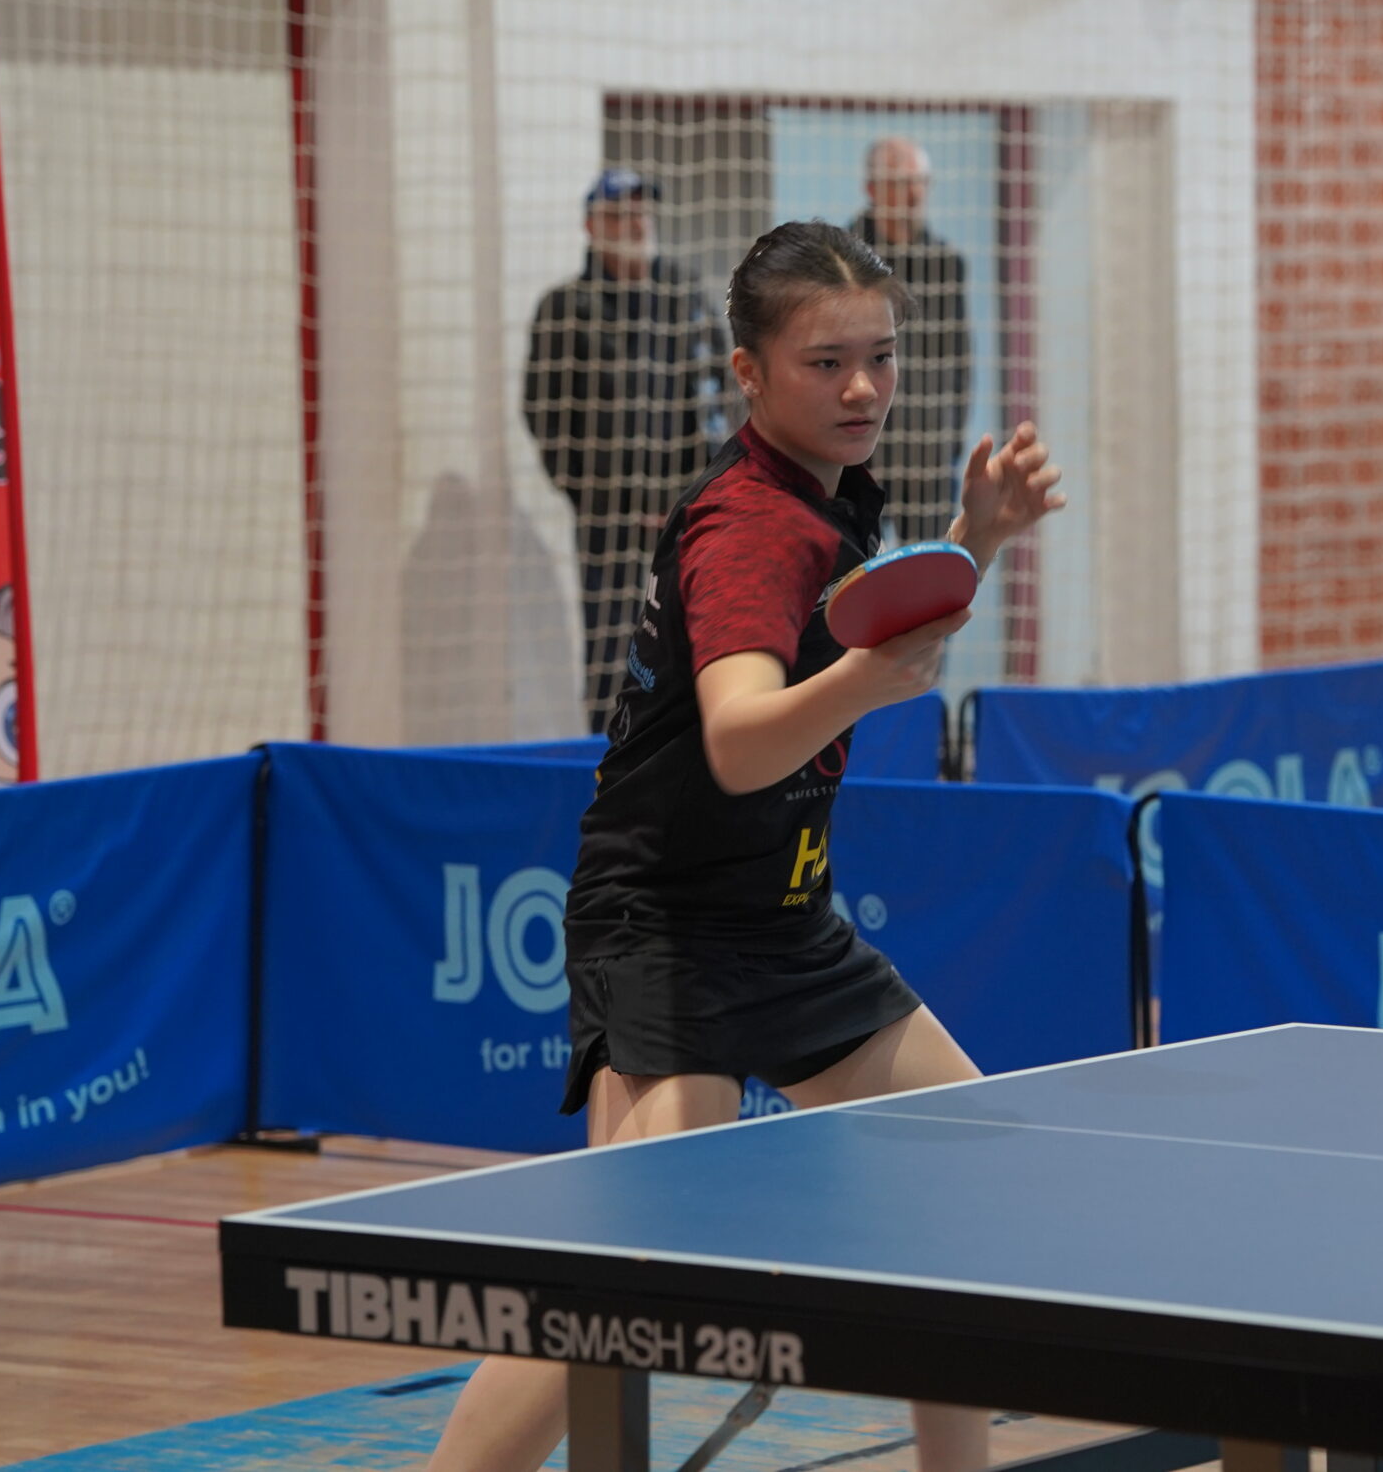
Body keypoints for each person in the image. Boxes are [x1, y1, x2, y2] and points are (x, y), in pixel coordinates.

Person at [429, 220, 1064, 1472]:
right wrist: (870, 684)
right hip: (664, 926)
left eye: (881, 355)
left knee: (958, 1179)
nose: (864, 388)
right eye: (826, 363)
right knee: (626, 1266)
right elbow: (738, 742)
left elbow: (873, 629)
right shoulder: (750, 530)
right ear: (747, 372)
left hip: (783, 925)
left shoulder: (825, 491)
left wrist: (976, 538)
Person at [523, 168, 728, 729]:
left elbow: (720, 397)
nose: (637, 224)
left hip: (687, 516)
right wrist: (598, 499)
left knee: (690, 645)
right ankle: (604, 758)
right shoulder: (564, 308)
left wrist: (688, 497)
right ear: (591, 227)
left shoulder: (686, 296)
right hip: (606, 522)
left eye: (642, 212)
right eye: (621, 214)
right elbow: (545, 415)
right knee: (611, 649)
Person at [849, 137, 970, 545]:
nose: (916, 194)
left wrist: (948, 442)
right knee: (850, 568)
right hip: (859, 447)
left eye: (922, 181)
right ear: (873, 189)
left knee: (928, 571)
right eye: (903, 182)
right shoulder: (843, 261)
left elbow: (960, 361)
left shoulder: (946, 263)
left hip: (928, 453)